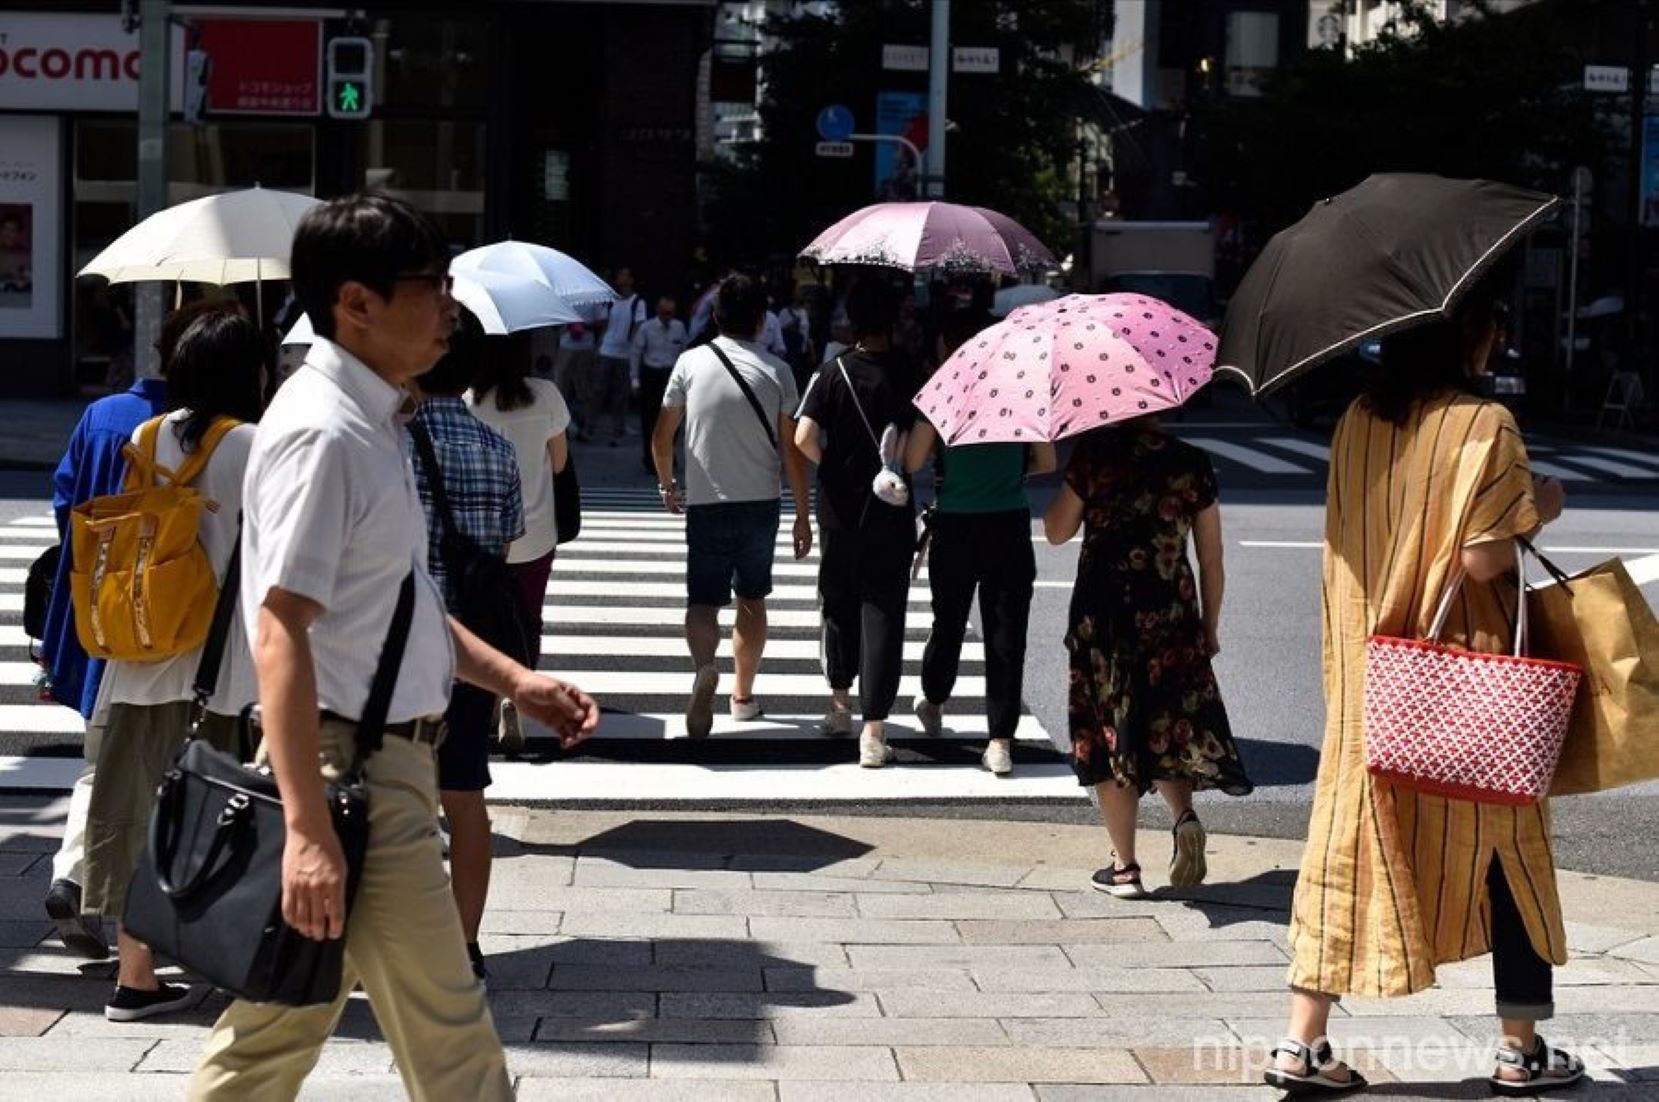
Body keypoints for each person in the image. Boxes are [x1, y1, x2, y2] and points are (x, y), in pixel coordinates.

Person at [188, 194, 599, 1101]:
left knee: (275, 1030)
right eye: (432, 284)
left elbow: (397, 604)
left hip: (370, 765)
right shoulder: (323, 430)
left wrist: (513, 680)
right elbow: (279, 624)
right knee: (447, 1033)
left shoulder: (374, 420)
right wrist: (303, 830)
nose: (451, 305)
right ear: (356, 303)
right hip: (353, 771)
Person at [1265, 301, 1581, 1097]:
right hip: (1462, 675)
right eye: (1493, 324)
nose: (1500, 337)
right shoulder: (1485, 422)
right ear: (1465, 335)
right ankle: (1519, 1051)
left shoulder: (1356, 419)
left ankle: (1301, 1044)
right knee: (1502, 843)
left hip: (1371, 669)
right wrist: (1539, 505)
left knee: (1348, 841)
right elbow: (1482, 561)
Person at [82, 311, 264, 1022]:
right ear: (247, 372)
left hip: (143, 649)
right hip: (223, 667)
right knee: (220, 817)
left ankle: (135, 975)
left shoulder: (145, 435)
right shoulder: (252, 443)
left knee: (138, 813)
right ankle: (233, 963)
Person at [37, 299, 221, 961]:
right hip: (182, 629)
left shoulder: (109, 418)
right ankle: (111, 896)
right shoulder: (223, 434)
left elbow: (69, 509)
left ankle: (76, 875)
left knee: (105, 759)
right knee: (159, 773)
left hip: (106, 617)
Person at [1044, 416, 1251, 898]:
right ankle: (1183, 818)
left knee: (1110, 731)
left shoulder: (1095, 455)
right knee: (1166, 724)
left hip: (1105, 620)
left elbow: (1055, 531)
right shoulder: (1189, 462)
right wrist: (1209, 626)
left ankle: (1125, 869)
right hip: (1171, 615)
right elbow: (1212, 558)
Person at [407, 306, 526, 985]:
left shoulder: (392, 440)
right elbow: (504, 544)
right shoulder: (497, 448)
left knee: (388, 794)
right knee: (464, 791)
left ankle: (391, 940)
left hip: (401, 645)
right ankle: (465, 943)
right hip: (472, 647)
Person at [651, 274, 812, 738]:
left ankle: (705, 668)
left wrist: (668, 485)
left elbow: (662, 437)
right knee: (752, 599)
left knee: (703, 602)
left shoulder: (689, 363)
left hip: (706, 501)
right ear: (762, 321)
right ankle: (742, 696)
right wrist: (804, 514)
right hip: (760, 503)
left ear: (716, 316)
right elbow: (793, 451)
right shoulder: (778, 370)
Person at [793, 277, 918, 767]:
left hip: (839, 509)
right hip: (891, 506)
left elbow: (804, 437)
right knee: (884, 610)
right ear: (893, 321)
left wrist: (834, 466)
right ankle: (874, 730)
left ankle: (840, 703)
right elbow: (923, 444)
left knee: (839, 600)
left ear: (853, 321)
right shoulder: (910, 373)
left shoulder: (832, 372)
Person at [903, 421, 1054, 778]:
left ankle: (934, 698)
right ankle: (1000, 741)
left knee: (949, 621)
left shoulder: (944, 399)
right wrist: (1013, 471)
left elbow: (911, 462)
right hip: (1008, 523)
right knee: (1007, 635)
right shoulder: (1020, 399)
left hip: (955, 524)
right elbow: (1047, 462)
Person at [468, 324, 573, 754]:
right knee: (529, 615)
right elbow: (560, 463)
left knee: (486, 618)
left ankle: (492, 696)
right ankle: (517, 694)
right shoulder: (545, 395)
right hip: (536, 531)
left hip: (485, 532)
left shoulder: (470, 400)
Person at [590, 266, 647, 446]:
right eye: (620, 275)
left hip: (624, 353)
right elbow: (605, 324)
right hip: (607, 349)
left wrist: (633, 349)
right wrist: (598, 345)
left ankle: (617, 432)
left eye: (625, 275)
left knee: (620, 395)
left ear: (632, 280)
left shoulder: (638, 302)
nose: (621, 278)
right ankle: (589, 428)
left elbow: (639, 326)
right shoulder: (611, 300)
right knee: (598, 390)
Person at [631, 295, 688, 474]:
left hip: (671, 374)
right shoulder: (647, 328)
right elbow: (636, 353)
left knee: (673, 419)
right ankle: (650, 458)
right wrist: (634, 379)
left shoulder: (679, 327)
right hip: (651, 374)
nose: (667, 316)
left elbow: (684, 352)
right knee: (649, 419)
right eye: (664, 313)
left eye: (670, 313)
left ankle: (668, 455)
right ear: (657, 311)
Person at [555, 309, 600, 437]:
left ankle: (585, 427)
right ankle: (563, 428)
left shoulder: (594, 297)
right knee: (562, 389)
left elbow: (602, 322)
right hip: (565, 346)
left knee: (584, 390)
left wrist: (584, 325)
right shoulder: (563, 295)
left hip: (586, 347)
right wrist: (567, 325)